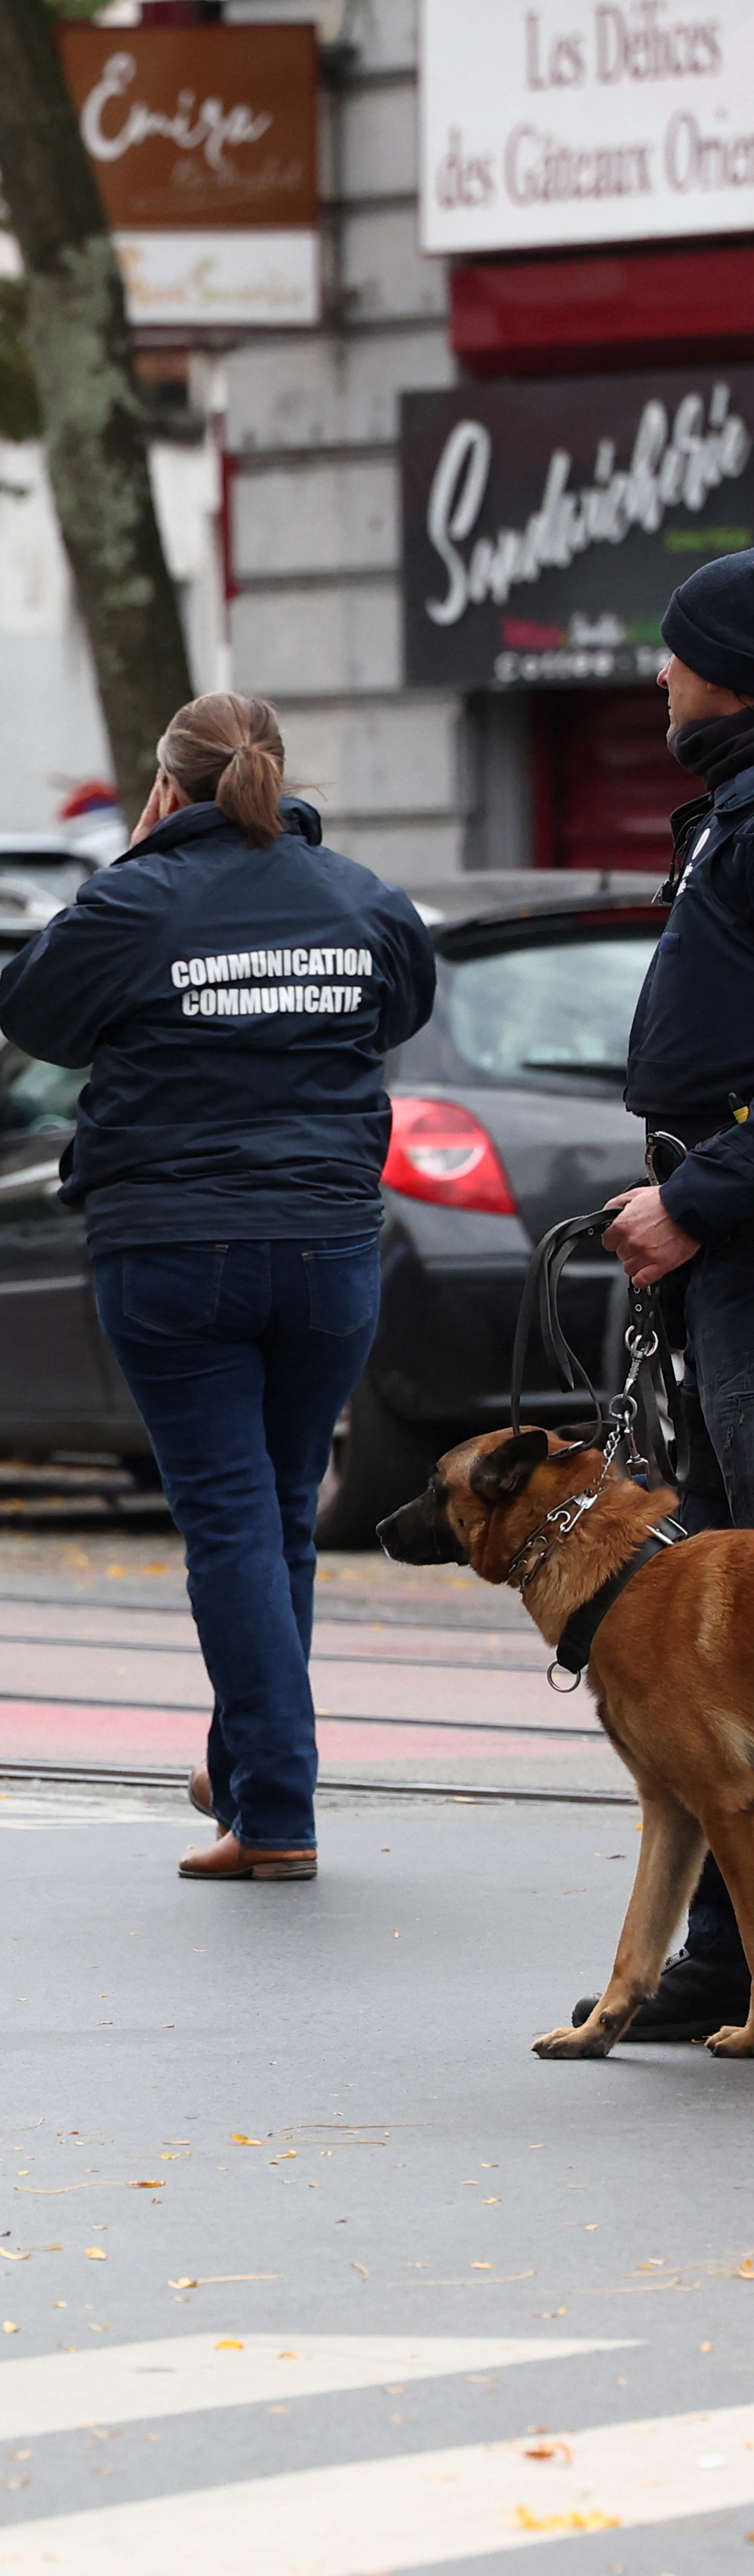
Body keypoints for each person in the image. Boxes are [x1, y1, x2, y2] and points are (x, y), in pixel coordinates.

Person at [0, 693, 433, 1881]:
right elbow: (407, 1002)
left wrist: (132, 862)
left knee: (236, 1521)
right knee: (279, 1511)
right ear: (278, 779)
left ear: (166, 787)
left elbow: (32, 1012)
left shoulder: (137, 898)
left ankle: (277, 1807)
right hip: (331, 1249)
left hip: (177, 1249)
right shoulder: (360, 898)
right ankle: (245, 1772)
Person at [576, 547, 754, 2028]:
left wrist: (700, 1198)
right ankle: (724, 1952)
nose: (659, 676)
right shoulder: (733, 817)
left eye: (677, 652)